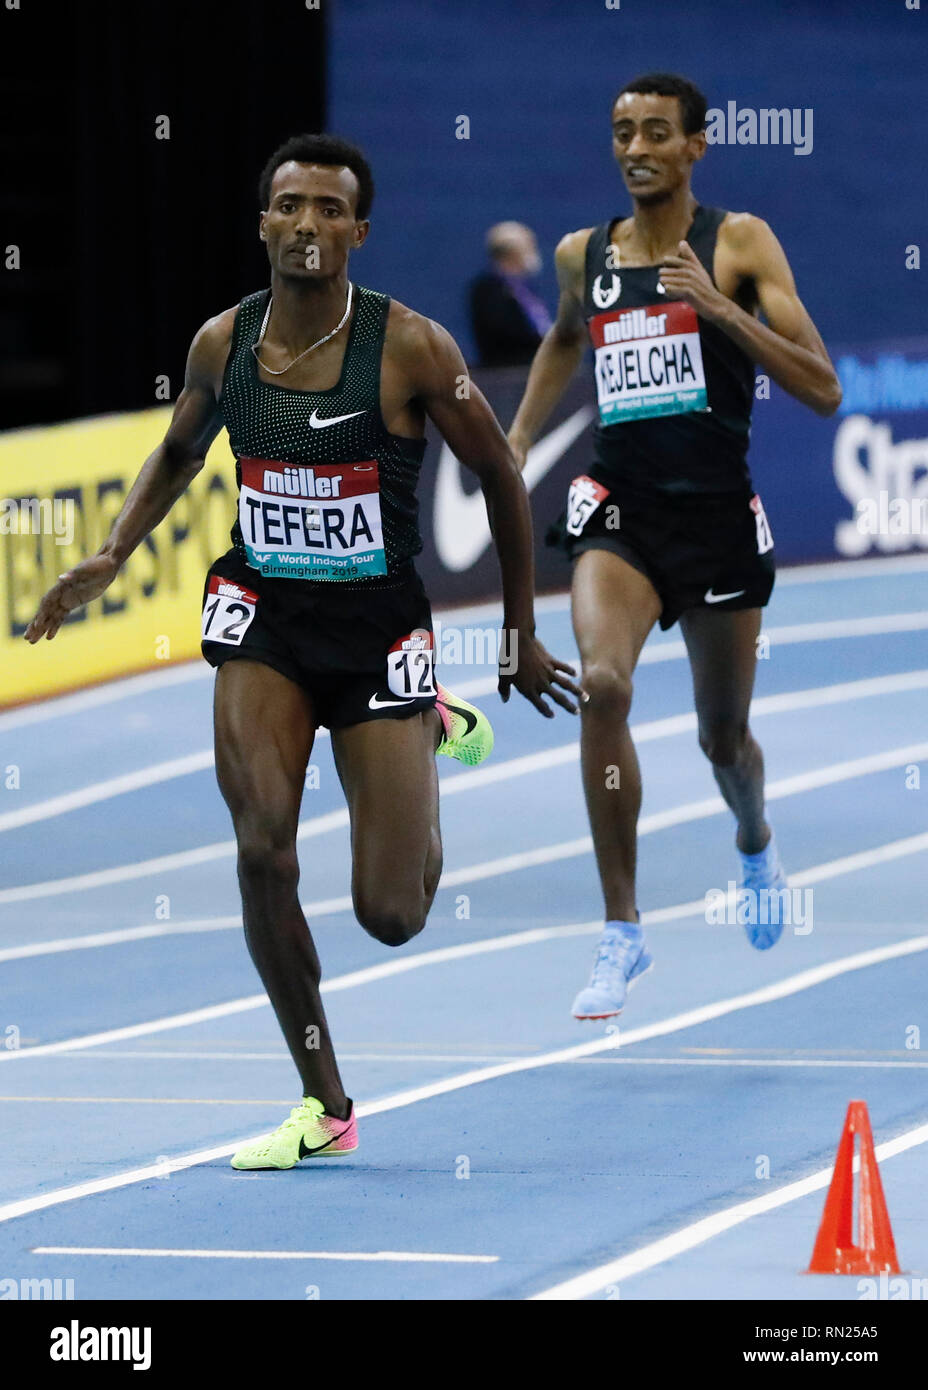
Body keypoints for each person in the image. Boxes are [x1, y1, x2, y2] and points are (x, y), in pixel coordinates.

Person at [25, 132, 580, 1164]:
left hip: (377, 636)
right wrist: (111, 553)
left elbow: (503, 475)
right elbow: (180, 451)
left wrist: (518, 632)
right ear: (265, 223)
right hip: (265, 619)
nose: (311, 224)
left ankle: (426, 723)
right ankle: (325, 1100)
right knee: (259, 848)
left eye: (332, 209)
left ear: (359, 232)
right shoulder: (220, 344)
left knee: (392, 913)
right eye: (293, 206)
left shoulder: (411, 347)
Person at [507, 73, 841, 1020]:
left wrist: (721, 310)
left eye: (657, 132)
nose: (637, 147)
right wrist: (525, 433)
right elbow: (565, 339)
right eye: (622, 132)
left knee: (721, 737)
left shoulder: (737, 242)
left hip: (718, 521)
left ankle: (753, 840)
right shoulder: (584, 255)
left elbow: (822, 388)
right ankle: (623, 930)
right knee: (603, 686)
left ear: (698, 146)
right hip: (623, 510)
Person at [469, 221, 552, 367]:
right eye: (529, 247)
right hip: (506, 373)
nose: (534, 254)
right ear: (512, 253)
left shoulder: (524, 289)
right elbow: (501, 332)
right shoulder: (488, 289)